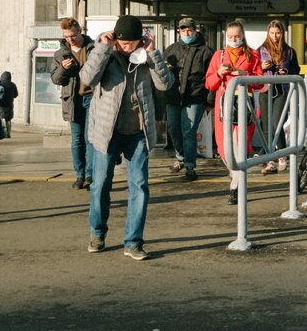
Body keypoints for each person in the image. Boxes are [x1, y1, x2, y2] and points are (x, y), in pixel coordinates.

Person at [80, 16, 174, 261]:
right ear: (115, 38)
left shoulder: (145, 56)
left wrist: (153, 54)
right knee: (100, 185)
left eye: (133, 42)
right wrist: (102, 47)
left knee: (140, 186)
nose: (128, 47)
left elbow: (165, 85)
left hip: (137, 133)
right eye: (123, 42)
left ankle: (133, 241)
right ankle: (97, 232)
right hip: (106, 132)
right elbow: (87, 78)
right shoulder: (105, 54)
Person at [204, 19, 264, 204]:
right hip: (224, 107)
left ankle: (236, 187)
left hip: (244, 106)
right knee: (223, 149)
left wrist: (244, 75)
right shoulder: (218, 56)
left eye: (237, 36)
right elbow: (209, 83)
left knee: (239, 148)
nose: (234, 39)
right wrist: (220, 73)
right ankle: (234, 176)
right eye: (230, 36)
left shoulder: (253, 55)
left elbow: (260, 81)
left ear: (243, 35)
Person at [163, 17, 212, 181]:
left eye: (189, 29)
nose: (186, 32)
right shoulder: (171, 49)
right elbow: (161, 73)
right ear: (179, 31)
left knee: (189, 131)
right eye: (183, 30)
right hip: (173, 97)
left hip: (195, 97)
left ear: (195, 29)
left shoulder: (206, 51)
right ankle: (180, 157)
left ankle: (189, 165)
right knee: (173, 130)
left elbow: (211, 78)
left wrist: (209, 101)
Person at [52, 18, 96, 188]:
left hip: (92, 98)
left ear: (80, 31)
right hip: (72, 100)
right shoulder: (60, 54)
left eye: (73, 35)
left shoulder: (92, 49)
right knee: (77, 140)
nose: (70, 39)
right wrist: (63, 68)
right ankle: (80, 174)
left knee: (89, 138)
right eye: (66, 36)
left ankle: (90, 175)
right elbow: (56, 79)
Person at [258, 20, 300, 174]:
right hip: (265, 89)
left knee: (277, 122)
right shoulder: (260, 50)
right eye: (272, 33)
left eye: (278, 33)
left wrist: (287, 72)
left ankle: (281, 156)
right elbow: (254, 69)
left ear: (282, 34)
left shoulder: (289, 51)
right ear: (268, 33)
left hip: (281, 89)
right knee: (266, 125)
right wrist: (261, 68)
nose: (275, 36)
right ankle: (270, 160)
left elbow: (296, 69)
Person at [0, 70, 18, 138]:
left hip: (0, 105)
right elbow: (16, 95)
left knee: (1, 118)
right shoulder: (13, 84)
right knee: (8, 119)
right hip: (9, 105)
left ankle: (3, 133)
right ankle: (8, 133)